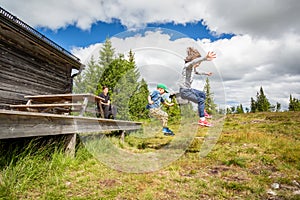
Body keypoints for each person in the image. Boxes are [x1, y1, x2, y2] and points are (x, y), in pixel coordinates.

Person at [178, 47, 216, 127]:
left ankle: (202, 112)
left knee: (202, 94)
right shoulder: (188, 66)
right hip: (184, 91)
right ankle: (202, 120)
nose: (199, 64)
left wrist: (206, 73)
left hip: (189, 89)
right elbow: (194, 62)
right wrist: (204, 58)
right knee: (200, 100)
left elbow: (197, 72)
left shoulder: (192, 69)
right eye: (198, 63)